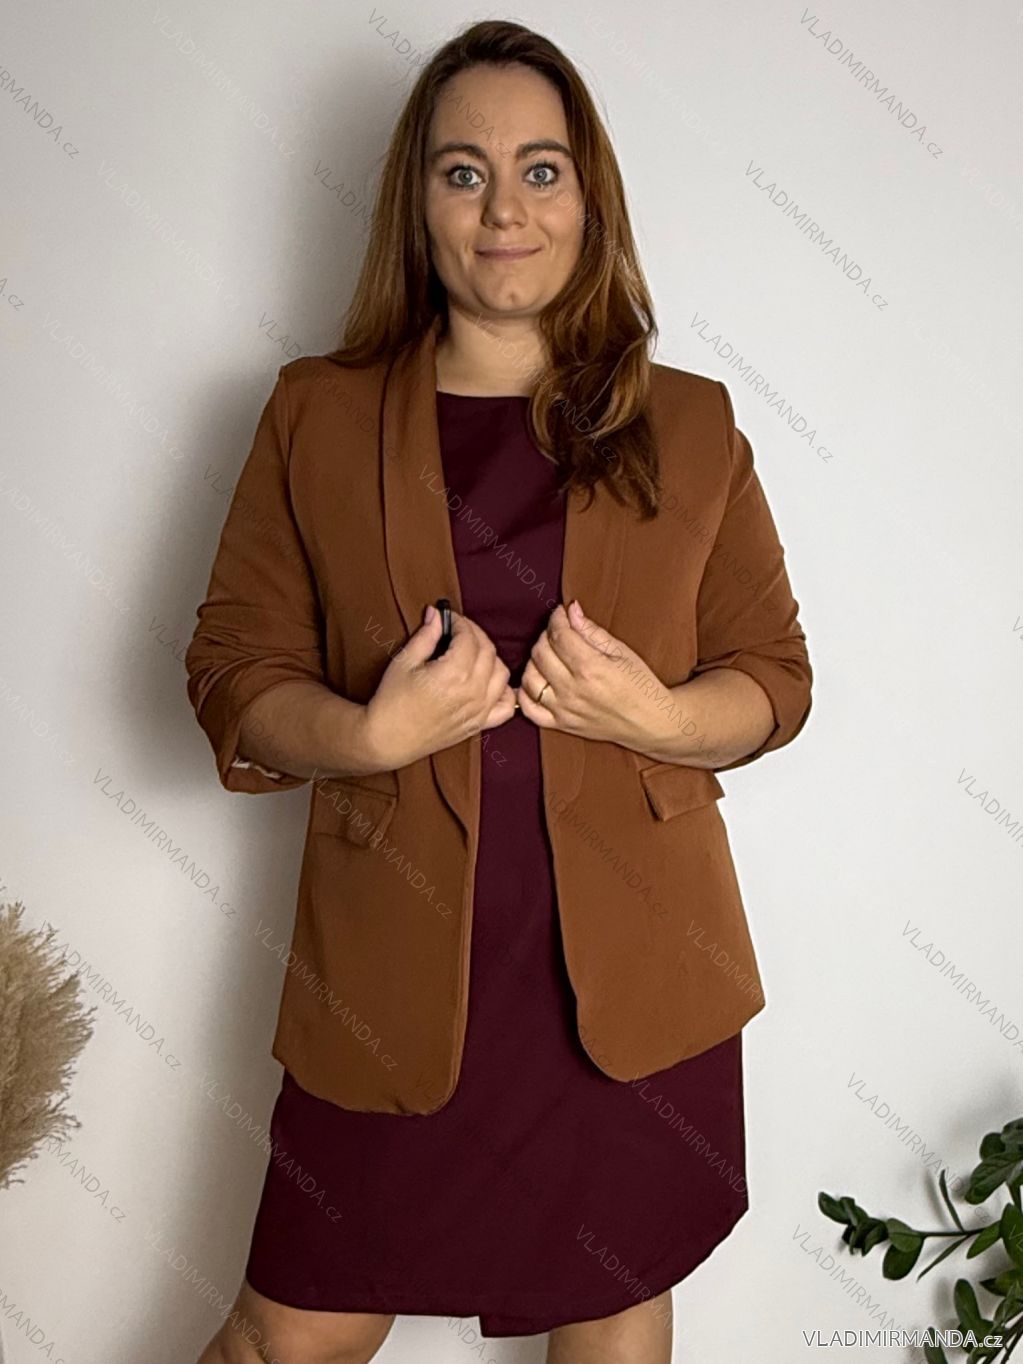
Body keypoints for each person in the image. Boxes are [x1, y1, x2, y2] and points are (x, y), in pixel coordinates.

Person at [186, 18, 812, 1364]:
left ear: (589, 197)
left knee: (612, 1317)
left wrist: (657, 719)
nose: (504, 209)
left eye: (541, 169)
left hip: (632, 987)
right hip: (391, 978)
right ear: (416, 204)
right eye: (463, 172)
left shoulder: (691, 423)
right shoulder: (314, 415)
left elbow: (775, 677)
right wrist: (367, 735)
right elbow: (233, 669)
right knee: (282, 1334)